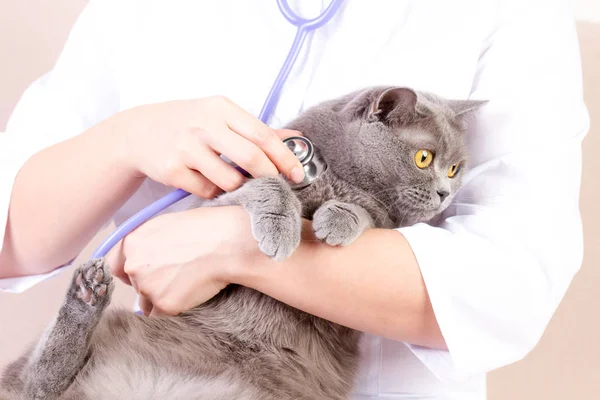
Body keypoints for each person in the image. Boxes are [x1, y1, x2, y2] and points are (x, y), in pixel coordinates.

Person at [0, 1, 588, 399]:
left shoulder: (510, 14)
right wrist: (124, 139)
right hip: (144, 361)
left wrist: (237, 247)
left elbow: (509, 288)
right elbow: (11, 241)